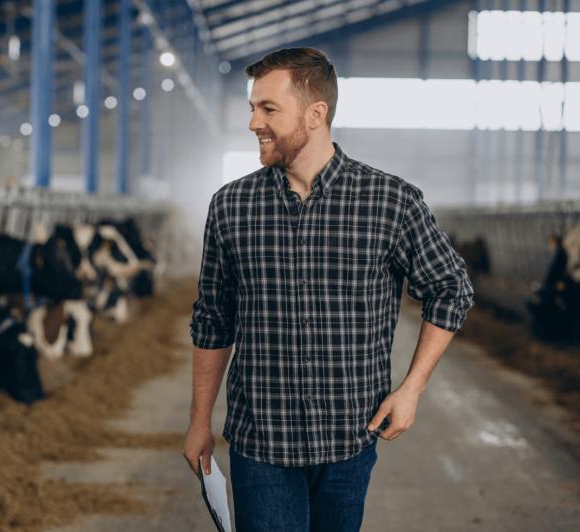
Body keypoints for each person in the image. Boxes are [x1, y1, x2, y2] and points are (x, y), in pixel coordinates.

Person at [182, 47, 475, 532]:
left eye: (268, 109)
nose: (254, 122)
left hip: (349, 439)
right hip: (261, 442)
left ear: (316, 114)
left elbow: (451, 288)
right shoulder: (231, 206)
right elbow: (213, 318)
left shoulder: (390, 201)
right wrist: (199, 421)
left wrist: (411, 389)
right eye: (252, 108)